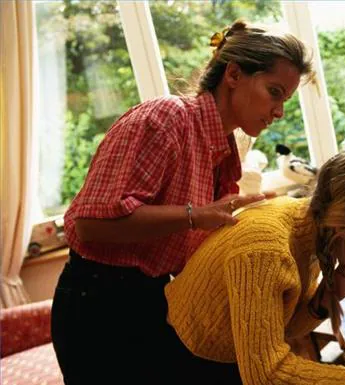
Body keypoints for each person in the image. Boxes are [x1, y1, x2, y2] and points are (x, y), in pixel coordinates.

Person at [51, 20, 313, 385]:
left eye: (284, 99)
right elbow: (89, 224)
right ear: (234, 74)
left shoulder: (222, 150)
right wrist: (195, 216)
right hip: (99, 309)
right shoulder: (165, 118)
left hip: (152, 299)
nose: (279, 111)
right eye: (274, 92)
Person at [162, 144, 345, 385]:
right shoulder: (265, 251)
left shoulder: (314, 227)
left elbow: (281, 328)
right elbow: (266, 374)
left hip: (229, 360)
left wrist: (324, 302)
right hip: (190, 366)